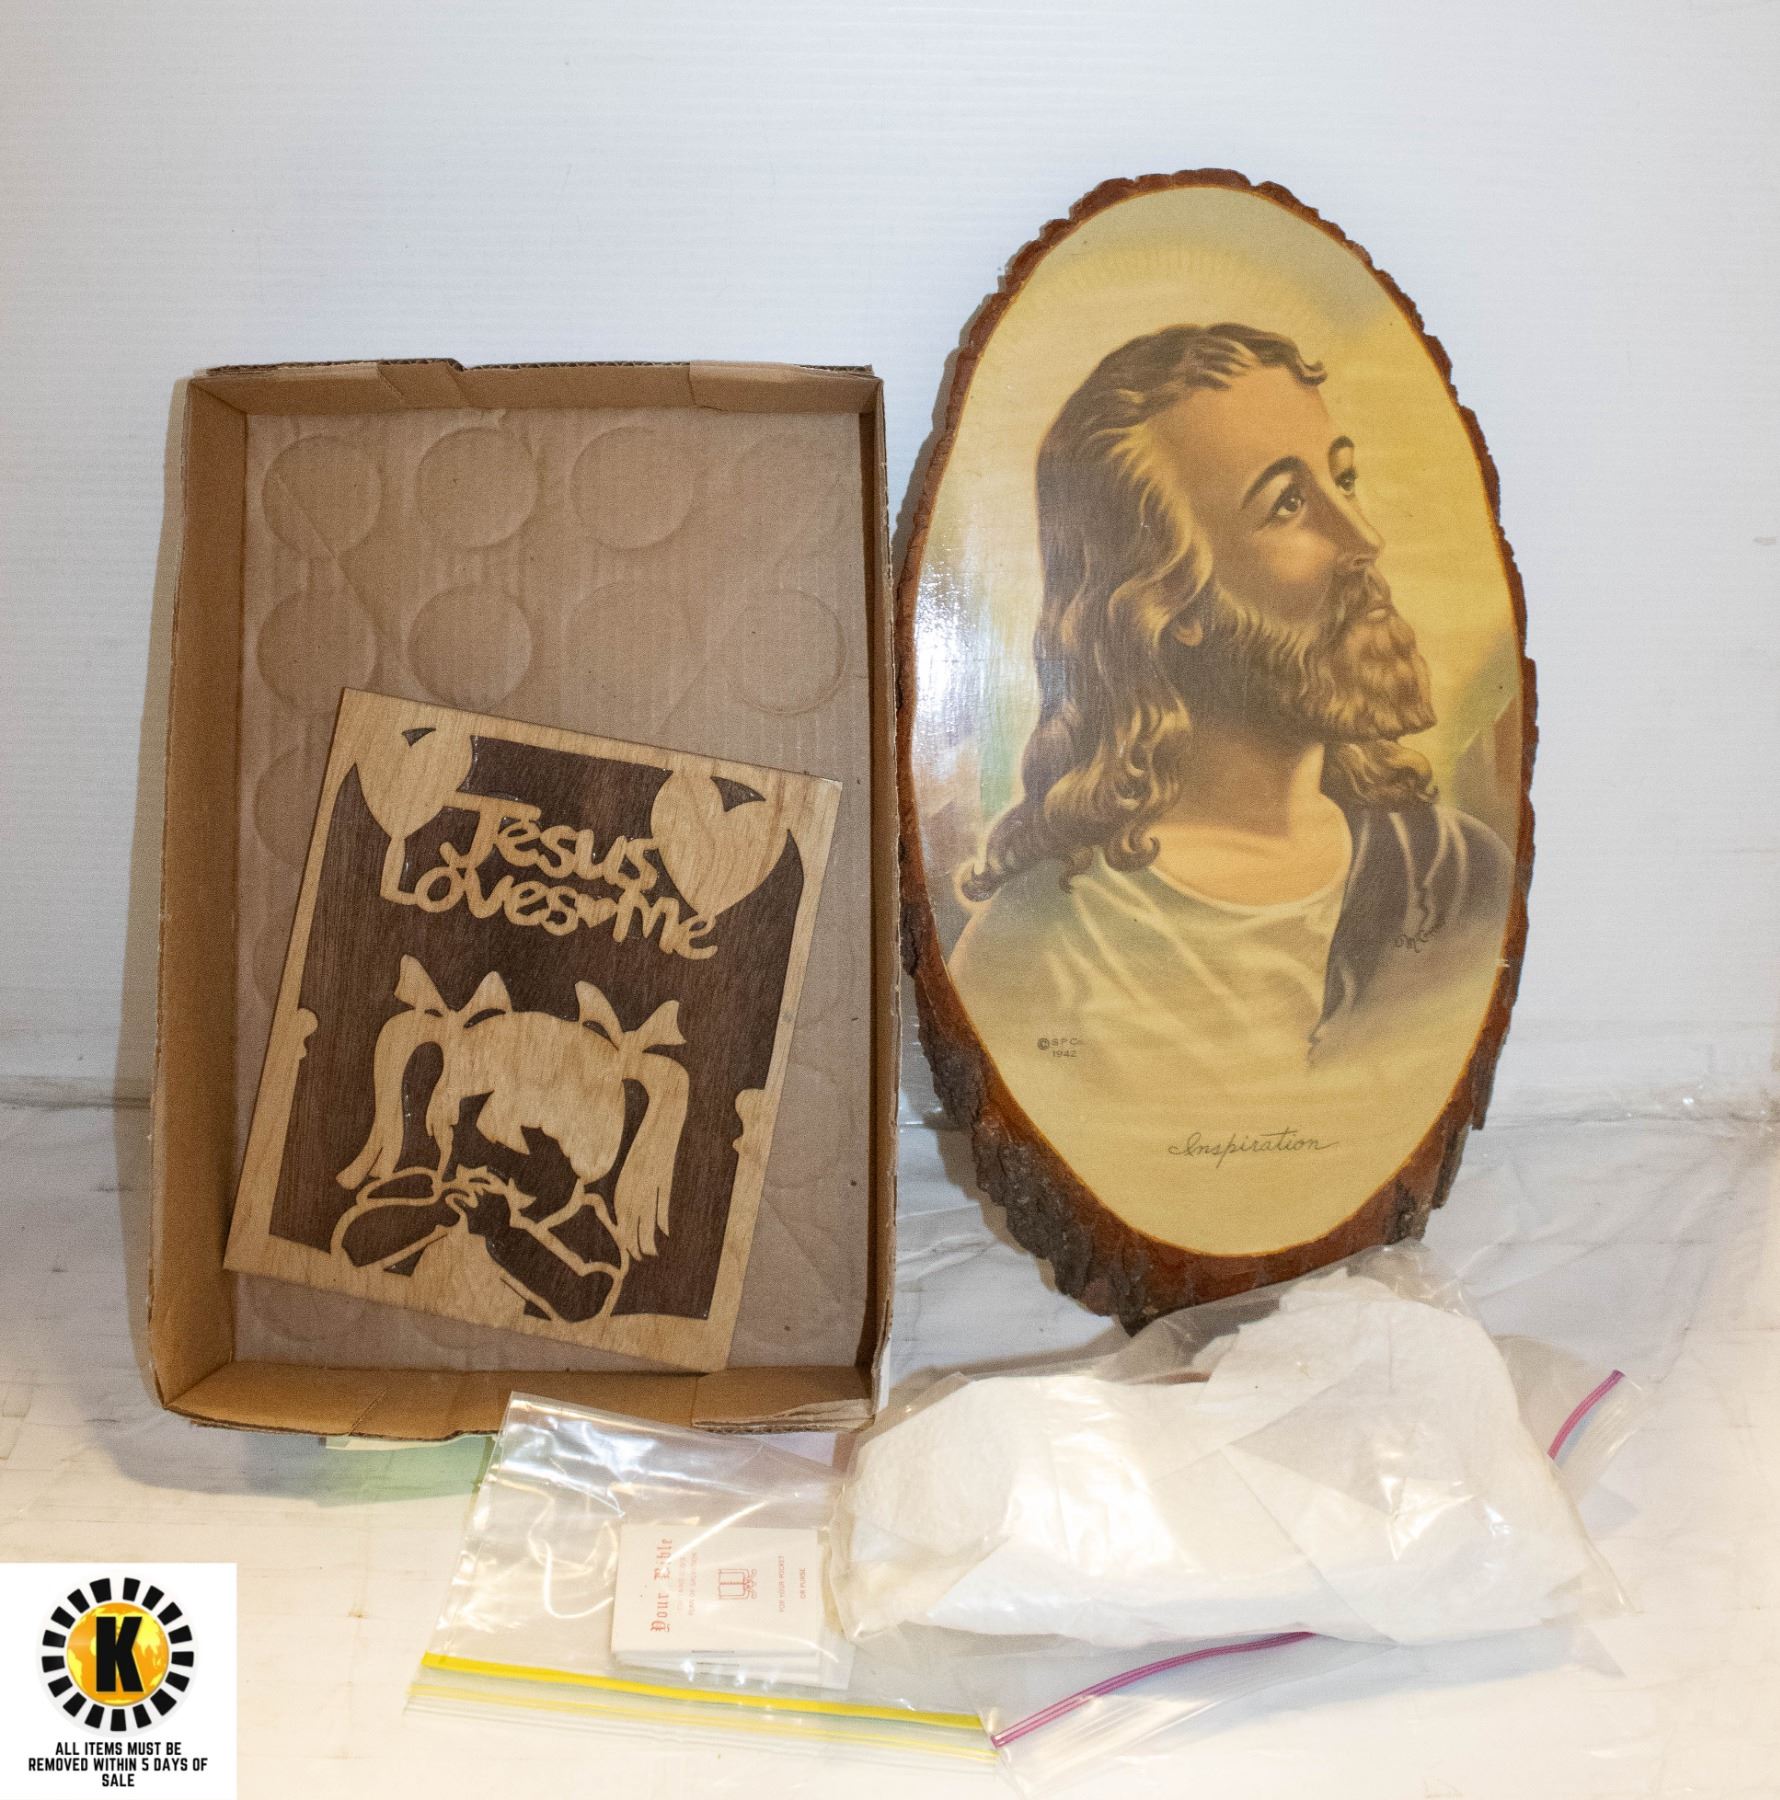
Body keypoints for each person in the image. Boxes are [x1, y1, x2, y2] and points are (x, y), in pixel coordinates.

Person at [950, 323, 1512, 1118]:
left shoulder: (1456, 876)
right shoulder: (1043, 955)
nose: (1364, 538)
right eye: (1289, 504)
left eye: (1344, 480)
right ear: (1168, 599)